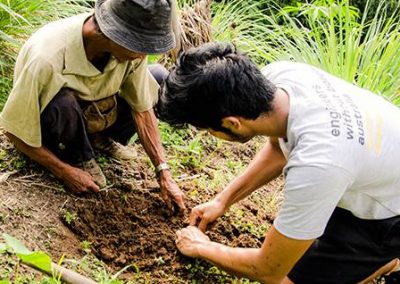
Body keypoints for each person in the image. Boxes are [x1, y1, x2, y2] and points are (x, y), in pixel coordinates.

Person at [156, 42, 400, 283]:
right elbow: (278, 148)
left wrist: (201, 247)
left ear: (232, 123)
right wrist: (222, 201)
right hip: (370, 171)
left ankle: (382, 259)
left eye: (207, 129)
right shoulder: (282, 78)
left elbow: (267, 269)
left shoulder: (317, 163)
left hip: (390, 215)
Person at [0, 0, 185, 211]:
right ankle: (78, 155)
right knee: (62, 104)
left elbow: (142, 109)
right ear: (113, 35)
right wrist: (63, 171)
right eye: (139, 47)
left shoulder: (130, 52)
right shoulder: (46, 58)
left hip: (95, 110)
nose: (143, 56)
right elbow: (14, 132)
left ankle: (98, 139)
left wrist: (163, 172)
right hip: (57, 120)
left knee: (158, 77)